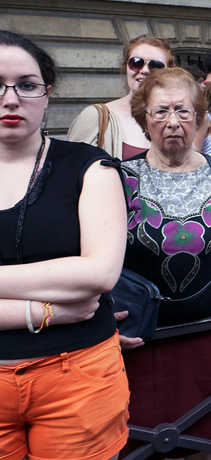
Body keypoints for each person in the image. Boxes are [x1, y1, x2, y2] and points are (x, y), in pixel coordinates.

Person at [0, 31, 130, 460]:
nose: (11, 98)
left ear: (46, 93)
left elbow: (98, 274)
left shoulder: (88, 167)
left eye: (27, 84)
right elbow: (76, 283)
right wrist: (42, 311)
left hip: (77, 376)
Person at [118, 67, 211, 459]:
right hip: (141, 340)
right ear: (144, 119)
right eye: (160, 111)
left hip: (207, 334)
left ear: (198, 118)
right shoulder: (121, 178)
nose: (172, 121)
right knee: (138, 442)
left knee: (204, 437)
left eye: (183, 111)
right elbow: (100, 257)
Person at [67, 34, 174, 158]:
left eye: (155, 65)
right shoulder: (95, 117)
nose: (144, 70)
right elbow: (70, 169)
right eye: (136, 62)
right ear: (126, 66)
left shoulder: (180, 119)